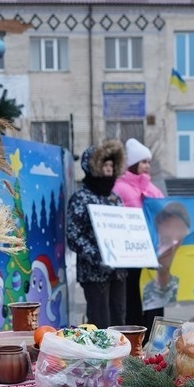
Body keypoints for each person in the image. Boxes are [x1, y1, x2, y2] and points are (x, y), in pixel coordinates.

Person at [65, 139, 126, 328]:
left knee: (119, 321)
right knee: (100, 323)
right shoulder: (81, 198)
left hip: (118, 272)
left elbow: (126, 232)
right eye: (104, 165)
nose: (109, 169)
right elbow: (74, 235)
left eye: (111, 165)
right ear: (93, 167)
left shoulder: (115, 199)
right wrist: (98, 257)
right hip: (94, 273)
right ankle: (100, 358)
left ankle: (120, 357)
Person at [113, 137, 165, 327]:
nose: (147, 166)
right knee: (132, 295)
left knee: (154, 296)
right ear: (133, 163)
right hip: (130, 252)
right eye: (143, 161)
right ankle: (134, 334)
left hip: (151, 251)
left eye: (149, 162)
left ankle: (154, 334)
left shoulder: (153, 190)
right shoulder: (119, 188)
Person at [141, 201, 191, 313]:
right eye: (166, 239)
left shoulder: (191, 284)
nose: (170, 246)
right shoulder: (147, 288)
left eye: (178, 238)